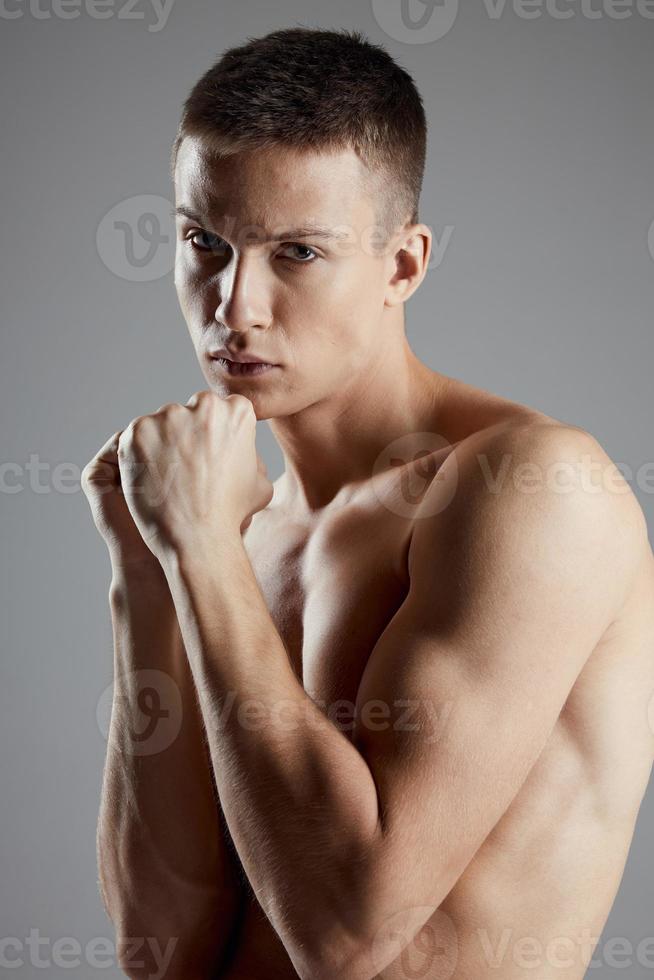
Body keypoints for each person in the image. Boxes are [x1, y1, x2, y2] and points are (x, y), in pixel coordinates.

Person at [82, 27, 654, 980]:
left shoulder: (530, 488)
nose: (234, 308)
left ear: (403, 265)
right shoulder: (228, 528)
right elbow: (161, 953)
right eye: (203, 242)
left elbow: (347, 936)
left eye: (296, 252)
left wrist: (201, 559)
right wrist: (147, 570)